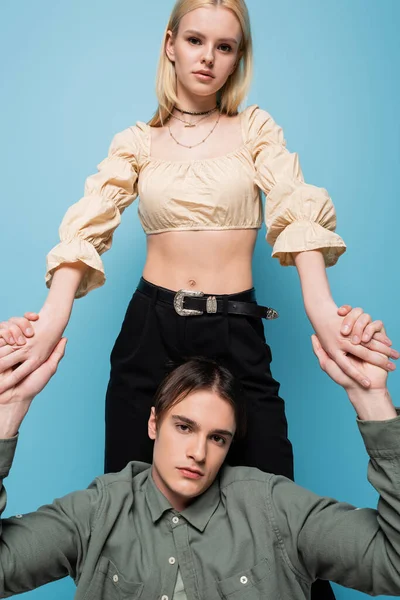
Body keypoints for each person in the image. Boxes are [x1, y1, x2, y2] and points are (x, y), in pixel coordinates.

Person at [0, 3, 398, 597]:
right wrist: (50, 324)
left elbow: (294, 206)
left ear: (238, 57)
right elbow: (87, 230)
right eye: (195, 39)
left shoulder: (256, 129)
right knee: (130, 513)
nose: (208, 57)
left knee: (272, 508)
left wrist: (323, 310)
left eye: (225, 46)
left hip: (237, 329)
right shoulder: (137, 141)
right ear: (170, 44)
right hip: (148, 332)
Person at [0, 338, 399, 599]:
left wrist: (373, 399)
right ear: (154, 424)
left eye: (217, 438)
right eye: (184, 427)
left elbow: (392, 565)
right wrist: (7, 412)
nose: (198, 452)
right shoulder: (97, 512)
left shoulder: (275, 507)